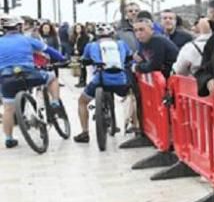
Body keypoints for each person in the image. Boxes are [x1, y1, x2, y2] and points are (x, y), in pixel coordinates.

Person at [0, 16, 67, 149]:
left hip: (7, 78)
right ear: (19, 27)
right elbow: (49, 50)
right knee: (52, 78)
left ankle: (9, 139)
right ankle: (54, 103)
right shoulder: (27, 39)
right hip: (29, 75)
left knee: (8, 109)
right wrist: (63, 59)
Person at [73, 23, 132, 144]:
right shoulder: (121, 44)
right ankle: (136, 126)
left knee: (82, 102)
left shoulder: (91, 45)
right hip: (120, 80)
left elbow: (84, 60)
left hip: (100, 79)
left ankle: (85, 133)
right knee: (133, 96)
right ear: (112, 33)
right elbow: (129, 57)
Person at [70, 23, 91, 88]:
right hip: (76, 53)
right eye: (76, 28)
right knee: (79, 68)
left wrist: (78, 50)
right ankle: (80, 81)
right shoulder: (75, 36)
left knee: (82, 68)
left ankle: (83, 81)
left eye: (79, 28)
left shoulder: (85, 37)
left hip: (82, 53)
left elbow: (84, 45)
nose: (77, 30)